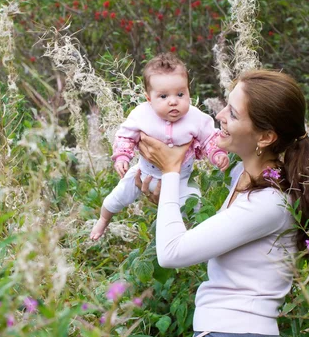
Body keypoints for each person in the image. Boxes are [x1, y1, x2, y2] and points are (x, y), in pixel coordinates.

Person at [135, 69, 309, 337]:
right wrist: (167, 198)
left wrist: (171, 170)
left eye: (234, 114)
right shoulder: (244, 176)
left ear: (265, 137)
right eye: (226, 105)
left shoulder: (269, 201)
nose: (220, 116)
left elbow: (171, 254)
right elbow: (208, 236)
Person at [90, 53, 230, 240]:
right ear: (149, 98)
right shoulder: (141, 115)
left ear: (189, 91)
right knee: (117, 197)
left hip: (181, 178)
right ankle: (103, 219)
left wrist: (217, 154)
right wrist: (123, 156)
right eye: (163, 96)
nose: (173, 101)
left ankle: (192, 240)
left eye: (180, 94)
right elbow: (125, 135)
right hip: (144, 173)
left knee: (195, 205)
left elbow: (210, 139)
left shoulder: (196, 118)